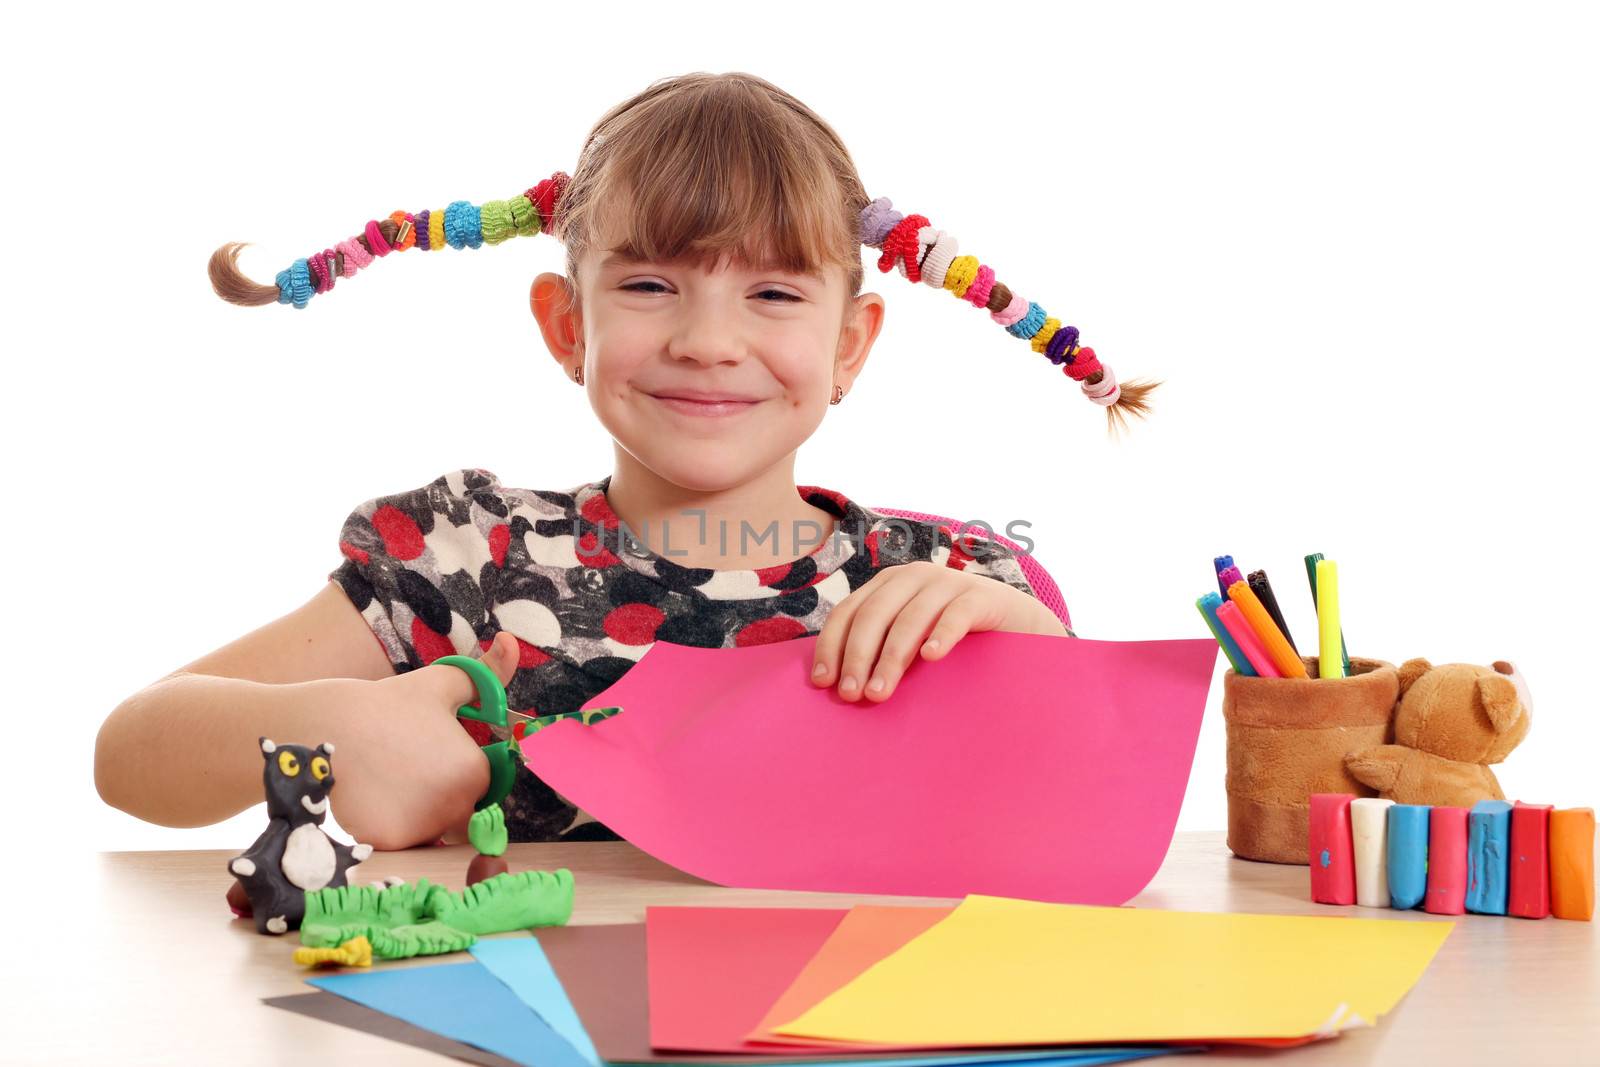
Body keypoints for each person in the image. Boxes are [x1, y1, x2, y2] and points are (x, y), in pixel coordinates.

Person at [95, 71, 1155, 849]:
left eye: (774, 293)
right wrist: (328, 725)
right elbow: (130, 750)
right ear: (567, 326)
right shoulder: (464, 560)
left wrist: (1031, 657)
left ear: (848, 346)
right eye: (649, 286)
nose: (707, 339)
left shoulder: (947, 591)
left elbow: (1100, 835)